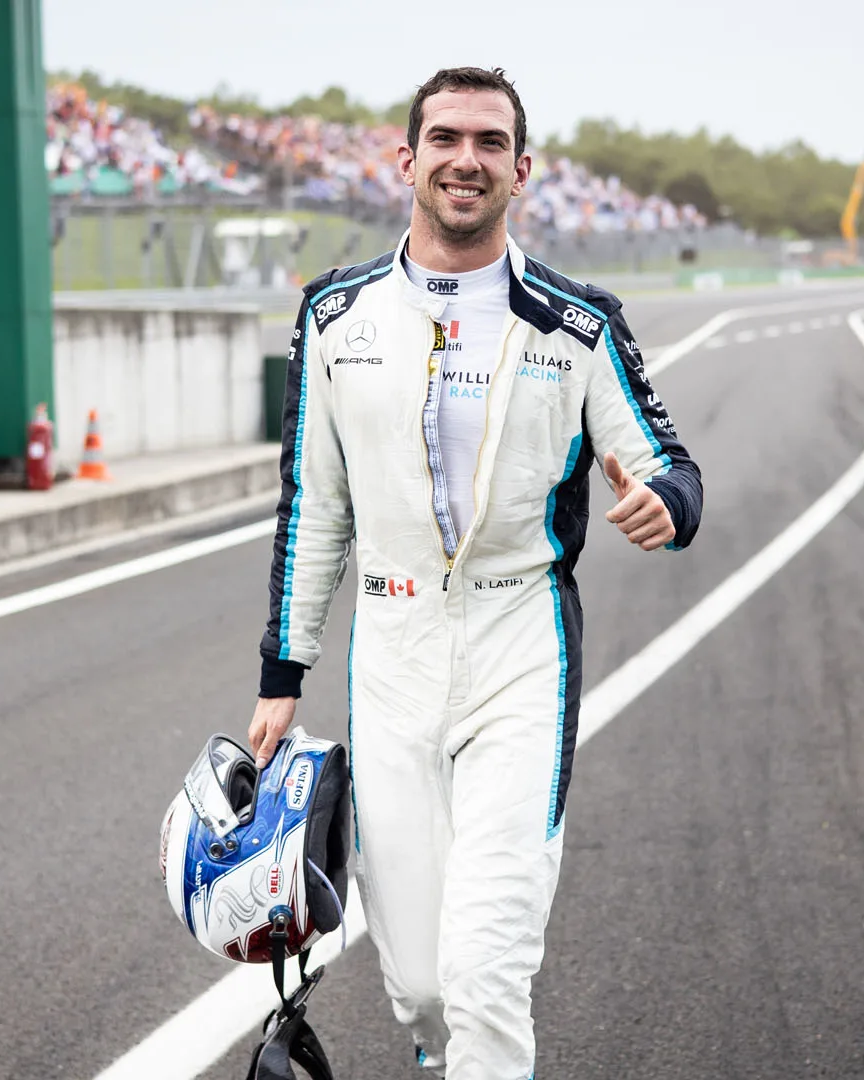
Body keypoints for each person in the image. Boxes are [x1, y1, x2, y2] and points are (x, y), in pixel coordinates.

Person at [247, 66, 702, 1078]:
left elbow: (673, 463)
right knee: (423, 985)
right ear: (406, 160)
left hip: (520, 644)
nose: (467, 158)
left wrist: (664, 503)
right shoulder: (334, 317)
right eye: (446, 138)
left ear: (522, 170)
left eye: (490, 143)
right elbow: (312, 504)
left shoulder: (578, 322)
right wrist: (285, 672)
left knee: (489, 962)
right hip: (393, 646)